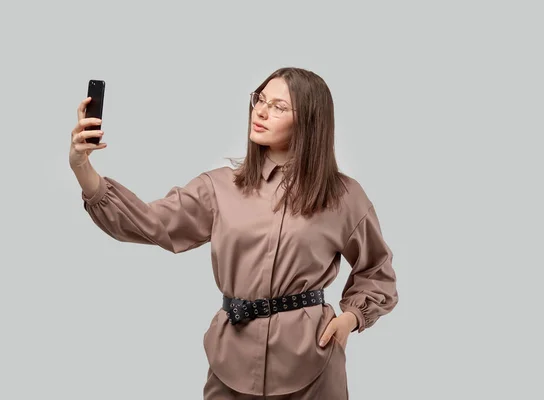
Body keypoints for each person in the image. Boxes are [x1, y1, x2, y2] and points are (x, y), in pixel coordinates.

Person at [69, 67, 399, 399]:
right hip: (231, 361)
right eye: (260, 99)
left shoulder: (343, 196)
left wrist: (351, 318)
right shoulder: (220, 188)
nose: (261, 111)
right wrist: (82, 168)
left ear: (310, 120)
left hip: (312, 364)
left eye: (279, 106)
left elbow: (377, 270)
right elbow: (148, 222)